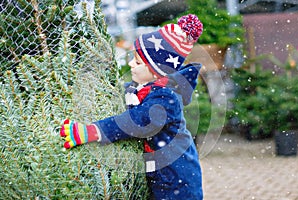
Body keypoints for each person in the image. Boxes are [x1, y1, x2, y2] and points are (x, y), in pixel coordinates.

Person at [60, 14, 204, 200]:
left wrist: (92, 131)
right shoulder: (149, 88)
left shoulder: (165, 99)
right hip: (164, 178)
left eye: (136, 62)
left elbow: (134, 122)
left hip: (178, 183)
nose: (130, 64)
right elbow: (131, 92)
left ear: (155, 71)